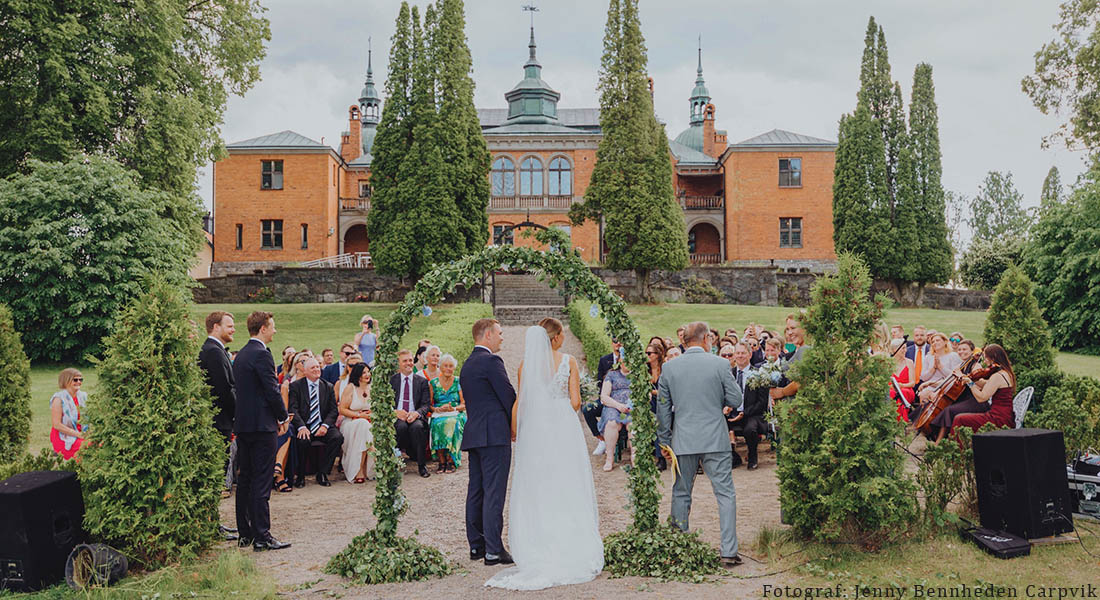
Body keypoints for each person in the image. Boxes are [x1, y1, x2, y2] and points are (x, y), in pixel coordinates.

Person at [486, 319, 602, 590]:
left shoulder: (526, 365)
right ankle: (569, 538)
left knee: (538, 483)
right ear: (558, 336)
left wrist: (515, 431)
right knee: (567, 481)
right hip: (562, 428)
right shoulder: (568, 361)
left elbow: (520, 403)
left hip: (536, 431)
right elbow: (575, 402)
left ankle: (538, 539)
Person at [657, 321, 743, 568]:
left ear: (685, 340)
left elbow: (663, 409)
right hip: (715, 437)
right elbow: (736, 398)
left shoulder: (669, 368)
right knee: (725, 493)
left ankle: (679, 547)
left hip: (683, 438)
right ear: (706, 338)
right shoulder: (720, 364)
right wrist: (720, 400)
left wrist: (664, 439)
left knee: (681, 492)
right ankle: (728, 551)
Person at [232, 311, 292, 551]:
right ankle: (262, 535)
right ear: (263, 328)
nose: (275, 331)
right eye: (272, 327)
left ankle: (244, 533)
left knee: (245, 478)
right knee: (262, 479)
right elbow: (271, 390)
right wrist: (282, 416)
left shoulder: (243, 354)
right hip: (262, 426)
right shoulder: (262, 355)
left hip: (244, 426)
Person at [462, 318, 516, 567]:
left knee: (477, 490)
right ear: (487, 335)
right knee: (494, 491)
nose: (502, 337)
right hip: (494, 435)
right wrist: (515, 425)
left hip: (475, 434)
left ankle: (477, 545)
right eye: (500, 333)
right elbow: (508, 396)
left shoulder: (467, 364)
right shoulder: (492, 361)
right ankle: (494, 550)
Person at [198, 311, 239, 538]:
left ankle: (215, 524)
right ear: (215, 327)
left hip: (221, 421)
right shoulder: (213, 352)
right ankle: (212, 526)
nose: (233, 330)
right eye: (229, 326)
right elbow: (224, 390)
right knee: (215, 477)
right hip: (218, 422)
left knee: (218, 476)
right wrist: (238, 415)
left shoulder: (215, 350)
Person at [289, 357, 343, 487]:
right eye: (312, 367)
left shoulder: (328, 386)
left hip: (322, 424)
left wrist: (325, 425)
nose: (316, 370)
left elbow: (333, 411)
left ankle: (323, 473)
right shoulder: (296, 386)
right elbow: (293, 409)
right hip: (305, 425)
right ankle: (300, 476)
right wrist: (301, 426)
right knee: (302, 440)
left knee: (337, 438)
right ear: (305, 371)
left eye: (318, 367)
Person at [950, 344, 1017, 435]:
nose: (984, 361)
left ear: (993, 358)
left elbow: (981, 398)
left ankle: (958, 447)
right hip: (1005, 416)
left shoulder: (997, 376)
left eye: (986, 358)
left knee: (960, 419)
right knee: (962, 418)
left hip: (998, 418)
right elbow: (987, 385)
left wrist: (970, 383)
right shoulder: (1005, 372)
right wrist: (970, 378)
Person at [931, 340, 987, 442]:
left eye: (964, 349)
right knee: (943, 408)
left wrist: (965, 377)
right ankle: (939, 440)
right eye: (959, 349)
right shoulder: (961, 365)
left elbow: (981, 386)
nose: (961, 351)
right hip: (963, 399)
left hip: (975, 401)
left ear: (972, 351)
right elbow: (948, 381)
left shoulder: (976, 366)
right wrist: (930, 384)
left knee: (949, 410)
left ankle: (939, 443)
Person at [391, 349, 431, 477]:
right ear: (399, 364)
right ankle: (396, 462)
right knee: (400, 427)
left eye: (410, 360)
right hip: (398, 416)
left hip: (415, 415)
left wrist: (416, 413)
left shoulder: (421, 381)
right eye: (405, 361)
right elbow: (386, 402)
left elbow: (426, 405)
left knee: (418, 427)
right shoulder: (392, 381)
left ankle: (421, 465)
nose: (409, 363)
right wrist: (395, 412)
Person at [730, 342, 768, 470]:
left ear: (750, 354)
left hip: (752, 413)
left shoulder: (759, 374)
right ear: (734, 356)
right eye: (738, 353)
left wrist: (744, 412)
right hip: (732, 413)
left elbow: (762, 403)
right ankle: (733, 457)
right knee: (718, 425)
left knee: (750, 429)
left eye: (743, 353)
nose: (740, 356)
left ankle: (752, 456)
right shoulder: (729, 374)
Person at [430, 354, 467, 473]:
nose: (448, 369)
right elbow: (429, 405)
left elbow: (464, 404)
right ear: (440, 367)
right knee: (437, 424)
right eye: (445, 366)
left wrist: (455, 409)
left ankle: (451, 460)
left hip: (455, 413)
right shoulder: (433, 383)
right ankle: (441, 461)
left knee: (453, 422)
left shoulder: (458, 381)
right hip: (439, 413)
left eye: (451, 366)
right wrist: (437, 409)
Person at [338, 362, 374, 483]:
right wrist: (359, 415)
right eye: (364, 372)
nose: (367, 374)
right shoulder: (350, 388)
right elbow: (342, 409)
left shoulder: (372, 388)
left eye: (368, 371)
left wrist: (371, 413)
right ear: (358, 375)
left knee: (365, 426)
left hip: (369, 422)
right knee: (363, 424)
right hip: (351, 423)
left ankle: (363, 468)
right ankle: (359, 468)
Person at [587, 336, 622, 457]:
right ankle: (601, 438)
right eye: (615, 341)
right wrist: (604, 398)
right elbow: (599, 382)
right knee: (588, 410)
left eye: (620, 341)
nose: (618, 344)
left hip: (623, 398)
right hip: (606, 397)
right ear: (612, 343)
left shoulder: (629, 360)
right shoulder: (604, 360)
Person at [599, 352, 633, 472]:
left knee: (634, 425)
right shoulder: (612, 375)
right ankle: (609, 458)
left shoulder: (638, 375)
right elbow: (604, 396)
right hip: (613, 406)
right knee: (612, 423)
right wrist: (618, 406)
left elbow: (647, 394)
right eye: (625, 361)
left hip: (632, 408)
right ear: (619, 362)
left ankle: (635, 457)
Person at [50, 368, 87, 460]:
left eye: (80, 379)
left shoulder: (83, 396)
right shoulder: (58, 399)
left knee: (99, 442)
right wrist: (78, 435)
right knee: (87, 446)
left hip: (82, 433)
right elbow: (56, 425)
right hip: (64, 435)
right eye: (75, 380)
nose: (79, 382)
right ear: (66, 381)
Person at [917, 332, 962, 405]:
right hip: (930, 386)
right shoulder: (929, 357)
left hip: (946, 386)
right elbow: (923, 377)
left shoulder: (953, 356)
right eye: (933, 342)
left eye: (937, 340)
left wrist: (940, 367)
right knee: (923, 394)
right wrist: (933, 368)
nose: (935, 343)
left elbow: (954, 376)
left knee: (934, 395)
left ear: (945, 342)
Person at [645, 342, 667, 471]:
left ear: (657, 355)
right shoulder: (644, 370)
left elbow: (666, 392)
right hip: (650, 403)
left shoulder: (665, 369)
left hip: (664, 403)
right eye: (646, 353)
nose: (647, 356)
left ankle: (661, 458)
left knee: (659, 421)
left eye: (649, 353)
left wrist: (653, 392)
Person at [887, 338, 917, 422]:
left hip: (907, 389)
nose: (905, 350)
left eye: (905, 348)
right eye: (902, 348)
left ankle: (900, 421)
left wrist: (902, 385)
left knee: (902, 393)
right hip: (892, 389)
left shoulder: (909, 362)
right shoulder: (888, 363)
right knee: (892, 393)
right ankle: (894, 421)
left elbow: (912, 383)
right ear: (894, 350)